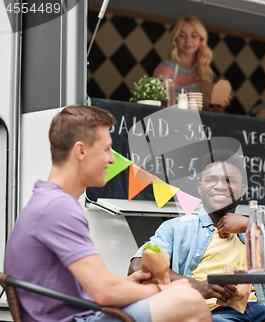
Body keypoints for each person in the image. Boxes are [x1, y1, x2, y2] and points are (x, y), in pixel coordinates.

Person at [4, 105, 211, 322]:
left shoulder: (48, 201)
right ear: (81, 151)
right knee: (190, 300)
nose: (112, 159)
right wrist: (161, 290)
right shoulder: (58, 207)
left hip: (80, 312)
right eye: (106, 149)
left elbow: (95, 286)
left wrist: (127, 287)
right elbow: (104, 292)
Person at [129, 149, 265, 322]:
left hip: (261, 311)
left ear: (242, 190)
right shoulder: (176, 228)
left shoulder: (252, 231)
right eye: (211, 179)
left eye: (229, 180)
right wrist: (198, 286)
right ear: (200, 188)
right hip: (208, 313)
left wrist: (250, 227)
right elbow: (138, 267)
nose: (220, 186)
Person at [153, 15, 229, 110]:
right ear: (175, 39)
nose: (188, 40)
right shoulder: (166, 68)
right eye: (182, 35)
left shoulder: (204, 71)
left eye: (193, 36)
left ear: (201, 39)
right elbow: (160, 102)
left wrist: (216, 102)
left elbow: (205, 108)